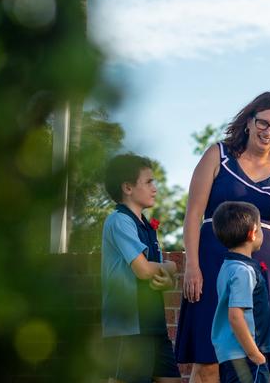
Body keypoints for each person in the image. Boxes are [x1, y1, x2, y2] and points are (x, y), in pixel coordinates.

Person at [175, 91, 270, 383]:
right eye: (263, 123)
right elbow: (192, 215)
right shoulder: (219, 155)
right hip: (213, 265)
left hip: (264, 273)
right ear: (249, 121)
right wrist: (192, 265)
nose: (269, 132)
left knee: (253, 361)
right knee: (208, 358)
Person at [101, 154, 182, 383]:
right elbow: (144, 271)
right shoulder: (119, 221)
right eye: (148, 182)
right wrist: (171, 266)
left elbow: (160, 275)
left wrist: (168, 277)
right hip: (129, 327)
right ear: (127, 187)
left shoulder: (146, 225)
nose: (155, 188)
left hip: (152, 324)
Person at [211, 201, 270, 383]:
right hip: (245, 355)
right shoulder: (243, 271)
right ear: (253, 233)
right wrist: (255, 354)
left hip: (231, 355)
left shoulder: (228, 266)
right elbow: (235, 316)